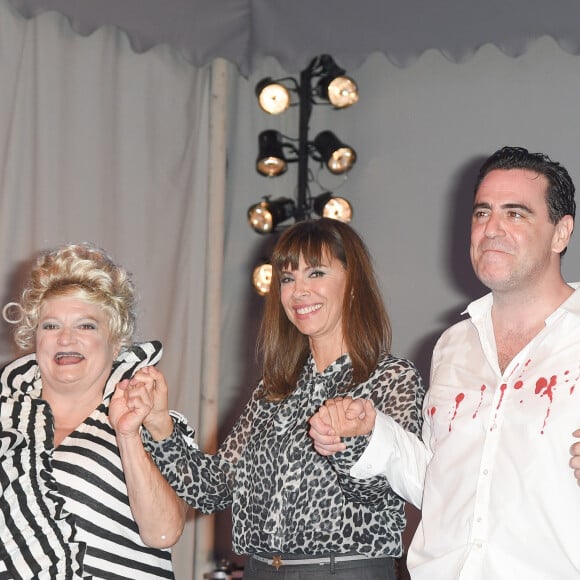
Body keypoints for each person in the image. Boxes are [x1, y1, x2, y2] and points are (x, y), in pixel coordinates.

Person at [309, 146, 580, 579]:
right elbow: (437, 482)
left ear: (561, 233)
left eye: (516, 214)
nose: (491, 228)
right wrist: (373, 432)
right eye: (481, 213)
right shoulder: (453, 345)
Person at [139, 217, 425, 579]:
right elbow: (210, 490)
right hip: (261, 571)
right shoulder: (273, 390)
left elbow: (382, 494)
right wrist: (160, 424)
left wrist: (351, 441)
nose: (298, 291)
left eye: (316, 273)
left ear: (354, 284)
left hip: (344, 571)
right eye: (288, 278)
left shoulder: (390, 378)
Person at [0, 243, 187, 579]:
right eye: (51, 326)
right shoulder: (5, 418)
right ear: (34, 337)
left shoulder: (152, 421)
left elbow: (165, 532)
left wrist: (127, 434)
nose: (65, 338)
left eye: (86, 326)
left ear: (115, 342)